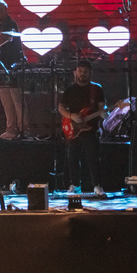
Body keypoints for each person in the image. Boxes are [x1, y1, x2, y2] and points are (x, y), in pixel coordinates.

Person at [58, 58, 107, 196]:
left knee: (93, 159)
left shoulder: (96, 89)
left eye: (85, 71)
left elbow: (102, 107)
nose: (82, 73)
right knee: (72, 158)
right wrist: (71, 116)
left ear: (91, 73)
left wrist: (103, 113)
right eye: (80, 71)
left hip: (91, 129)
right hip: (73, 129)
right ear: (75, 73)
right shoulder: (70, 89)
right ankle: (75, 185)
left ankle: (97, 186)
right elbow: (61, 107)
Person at [0, 0, 26, 139]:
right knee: (6, 99)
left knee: (16, 99)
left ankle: (23, 130)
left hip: (13, 66)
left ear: (4, 10)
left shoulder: (10, 24)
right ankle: (11, 128)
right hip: (2, 66)